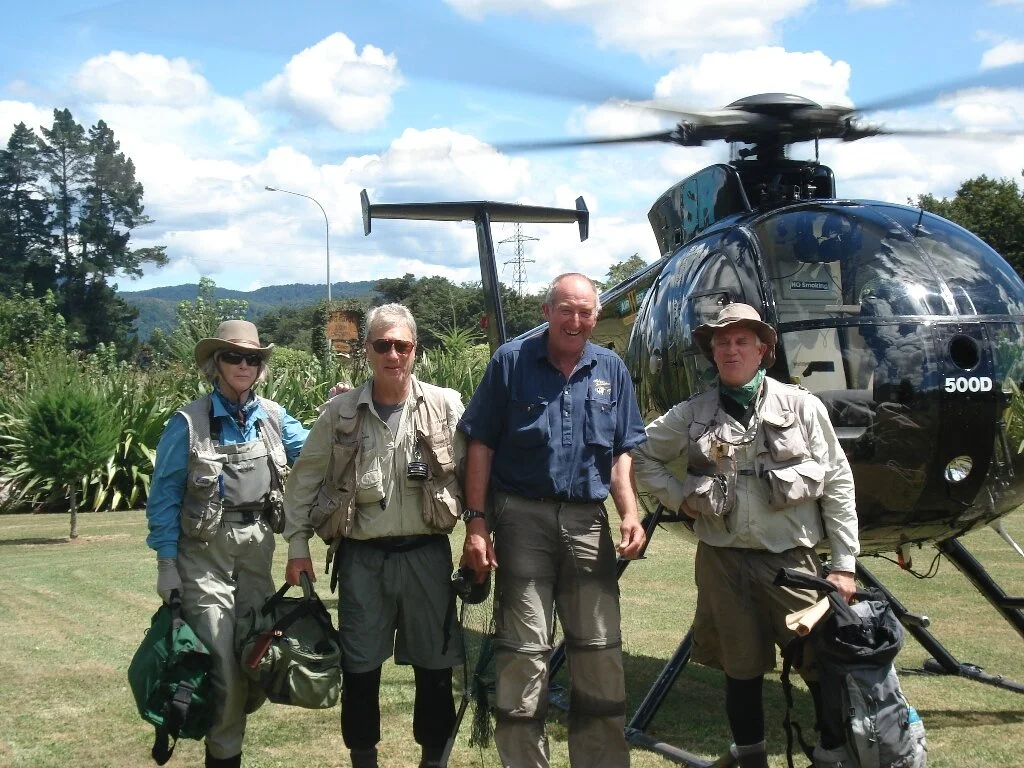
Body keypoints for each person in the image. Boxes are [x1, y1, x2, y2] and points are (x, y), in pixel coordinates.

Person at [631, 303, 860, 768]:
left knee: (819, 663)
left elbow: (837, 481)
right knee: (741, 669)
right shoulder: (692, 413)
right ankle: (749, 756)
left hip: (793, 562)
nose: (731, 349)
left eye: (741, 341)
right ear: (712, 353)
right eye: (721, 342)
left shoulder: (802, 406)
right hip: (723, 561)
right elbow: (637, 453)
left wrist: (842, 564)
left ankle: (833, 754)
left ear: (763, 351)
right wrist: (679, 498)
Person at [459, 272, 648, 768]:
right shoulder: (511, 362)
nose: (577, 320)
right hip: (521, 519)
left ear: (596, 316)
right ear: (547, 312)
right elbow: (481, 443)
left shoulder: (612, 368)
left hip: (589, 522)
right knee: (524, 651)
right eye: (567, 309)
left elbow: (621, 451)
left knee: (600, 650)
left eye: (586, 311)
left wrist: (629, 511)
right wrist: (476, 523)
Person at [283, 303, 466, 768]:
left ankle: (434, 761)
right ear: (367, 350)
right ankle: (363, 758)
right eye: (382, 344)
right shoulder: (339, 412)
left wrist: (484, 533)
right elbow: (303, 480)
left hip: (428, 555)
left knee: (436, 668)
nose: (393, 354)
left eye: (401, 345)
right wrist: (298, 546)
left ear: (415, 350)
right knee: (360, 669)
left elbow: (476, 474)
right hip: (362, 560)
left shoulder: (447, 405)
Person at [146, 320, 309, 768]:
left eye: (252, 358)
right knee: (221, 663)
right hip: (203, 557)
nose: (243, 365)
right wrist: (166, 564)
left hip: (258, 554)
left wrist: (343, 412)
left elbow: (317, 455)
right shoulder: (188, 423)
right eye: (233, 356)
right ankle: (223, 753)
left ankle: (221, 735)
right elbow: (163, 499)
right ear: (215, 364)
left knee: (254, 659)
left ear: (260, 366)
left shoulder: (274, 418)